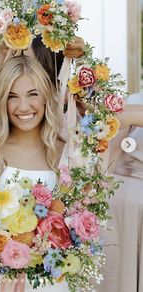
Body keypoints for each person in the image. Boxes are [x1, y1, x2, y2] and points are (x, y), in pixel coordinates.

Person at [0, 55, 68, 292]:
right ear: (2, 101)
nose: (24, 107)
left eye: (33, 94)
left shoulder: (64, 153)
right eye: (12, 97)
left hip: (48, 283)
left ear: (46, 96)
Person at [98, 92, 143, 292]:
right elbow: (108, 164)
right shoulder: (133, 100)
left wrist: (131, 115)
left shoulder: (130, 107)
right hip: (119, 208)